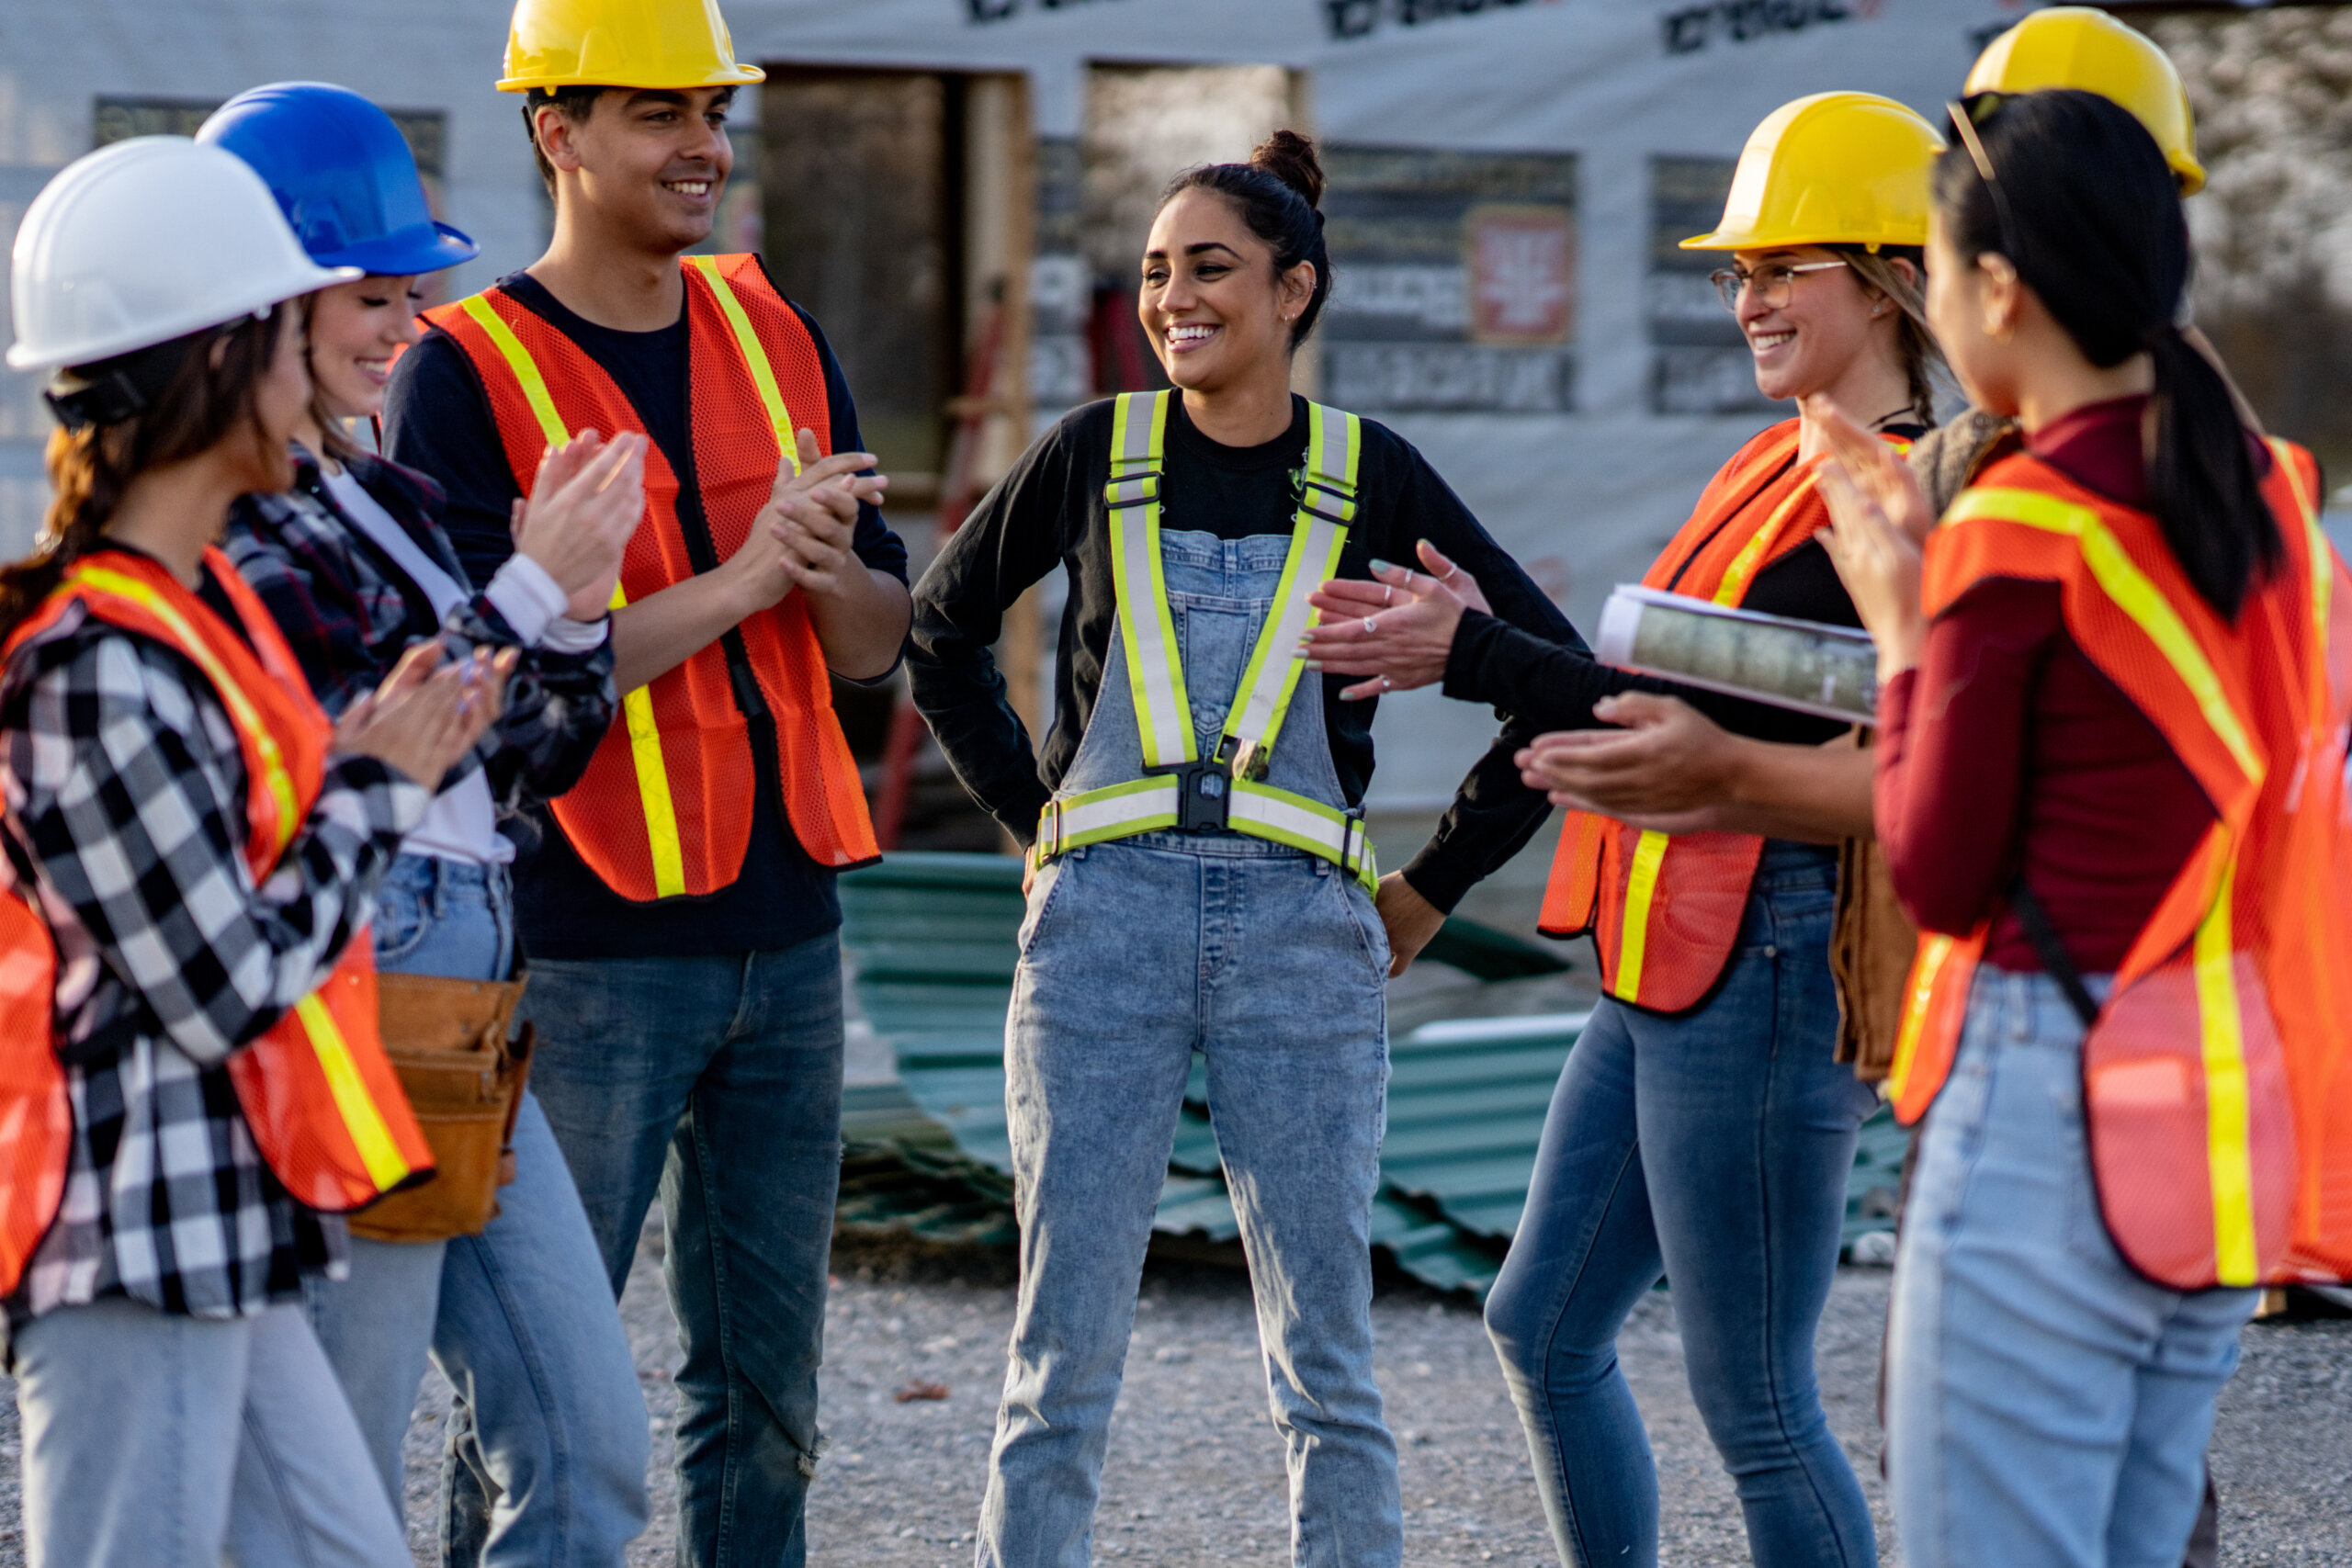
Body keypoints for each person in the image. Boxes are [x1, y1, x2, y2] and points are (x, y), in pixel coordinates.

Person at [908, 130, 1586, 1567]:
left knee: (1327, 1361)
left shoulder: (1371, 474)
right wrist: (1044, 829)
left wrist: (1430, 888)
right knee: (1059, 1352)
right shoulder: (1096, 450)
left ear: (1296, 291)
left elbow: (1559, 686)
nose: (1173, 300)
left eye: (1208, 270)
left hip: (1305, 939)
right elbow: (940, 632)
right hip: (1100, 934)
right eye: (1156, 275)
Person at [1305, 92, 1946, 1568]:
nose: (1750, 300)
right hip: (1675, 948)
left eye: (1784, 266)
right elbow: (1662, 689)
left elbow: (1745, 726)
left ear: (1891, 274)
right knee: (1540, 1325)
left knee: (1759, 1404)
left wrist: (1471, 653)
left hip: (1773, 951)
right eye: (1738, 273)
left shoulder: (1891, 490)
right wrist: (1483, 648)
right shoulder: (1783, 459)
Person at [379, 0, 912, 1558]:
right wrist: (750, 582)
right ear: (559, 134)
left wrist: (819, 577)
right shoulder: (461, 375)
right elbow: (490, 688)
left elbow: (879, 644)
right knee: (538, 1404)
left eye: (713, 112)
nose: (705, 147)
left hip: (788, 931)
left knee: (767, 1393)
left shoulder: (775, 330)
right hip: (582, 947)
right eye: (660, 114)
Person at [1815, 87, 2352, 1568]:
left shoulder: (2023, 526)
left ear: (2000, 287)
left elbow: (1938, 863)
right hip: (2228, 1100)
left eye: (1934, 265)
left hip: (2050, 1106)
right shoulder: (2260, 493)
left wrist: (1902, 621)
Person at [0, 135, 498, 1567]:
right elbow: (221, 981)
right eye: (292, 334)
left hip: (226, 1232)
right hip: (133, 1246)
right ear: (219, 360)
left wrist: (359, 769)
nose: (329, 370)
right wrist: (381, 787)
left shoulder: (192, 619)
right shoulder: (92, 664)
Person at [198, 81, 655, 1562]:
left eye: (415, 292)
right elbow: (361, 745)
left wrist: (570, 617)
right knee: (334, 1471)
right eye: (371, 296)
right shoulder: (225, 514)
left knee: (593, 1451)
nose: (405, 325)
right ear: (258, 300)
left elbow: (517, 765)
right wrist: (530, 595)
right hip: (358, 988)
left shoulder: (375, 487)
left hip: (462, 996)